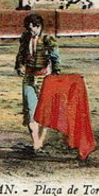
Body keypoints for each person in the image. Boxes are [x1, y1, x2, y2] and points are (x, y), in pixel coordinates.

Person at [14, 13, 62, 152]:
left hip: (44, 78)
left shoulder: (48, 39)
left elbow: (56, 58)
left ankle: (39, 143)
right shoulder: (25, 38)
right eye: (28, 28)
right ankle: (36, 142)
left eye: (32, 28)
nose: (30, 31)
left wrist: (56, 75)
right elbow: (20, 54)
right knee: (30, 111)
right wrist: (18, 66)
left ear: (39, 26)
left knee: (44, 112)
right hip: (29, 77)